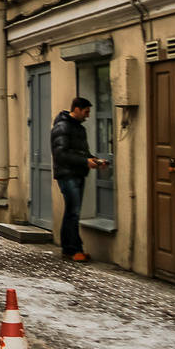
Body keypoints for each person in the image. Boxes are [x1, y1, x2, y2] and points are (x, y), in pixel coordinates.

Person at [51, 96, 108, 263]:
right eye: (86, 112)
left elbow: (81, 152)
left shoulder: (79, 129)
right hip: (67, 174)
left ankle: (69, 249)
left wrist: (95, 160)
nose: (87, 116)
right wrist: (85, 161)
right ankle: (73, 249)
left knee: (72, 212)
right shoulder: (62, 127)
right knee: (73, 212)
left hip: (77, 173)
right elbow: (60, 154)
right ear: (76, 109)